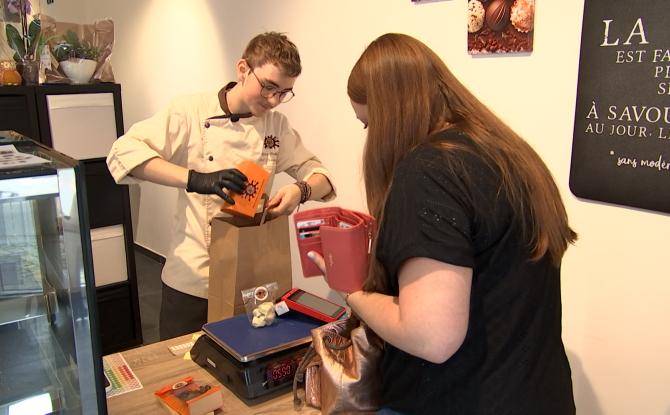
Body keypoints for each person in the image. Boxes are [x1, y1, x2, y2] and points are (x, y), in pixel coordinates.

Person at [309, 33, 576, 414]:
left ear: (391, 114)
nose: (370, 138)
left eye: (368, 124)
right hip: (540, 396)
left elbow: (431, 336)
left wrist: (351, 290)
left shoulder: (428, 171)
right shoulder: (509, 153)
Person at [107, 32, 335, 340]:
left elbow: (320, 175)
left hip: (251, 278)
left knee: (243, 365)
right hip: (192, 277)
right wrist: (195, 179)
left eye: (284, 92)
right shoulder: (190, 110)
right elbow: (124, 152)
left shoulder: (275, 126)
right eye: (268, 86)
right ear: (243, 69)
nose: (273, 100)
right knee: (181, 375)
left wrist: (299, 191)